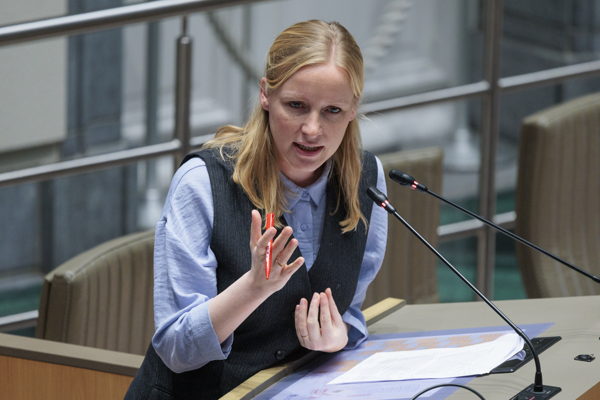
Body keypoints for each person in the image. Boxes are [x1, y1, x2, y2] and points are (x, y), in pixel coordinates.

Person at [126, 19, 388, 399]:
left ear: (353, 110)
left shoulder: (366, 180)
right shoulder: (202, 181)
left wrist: (340, 336)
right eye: (296, 106)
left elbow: (350, 311)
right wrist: (254, 287)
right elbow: (176, 348)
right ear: (265, 94)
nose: (312, 129)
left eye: (332, 110)